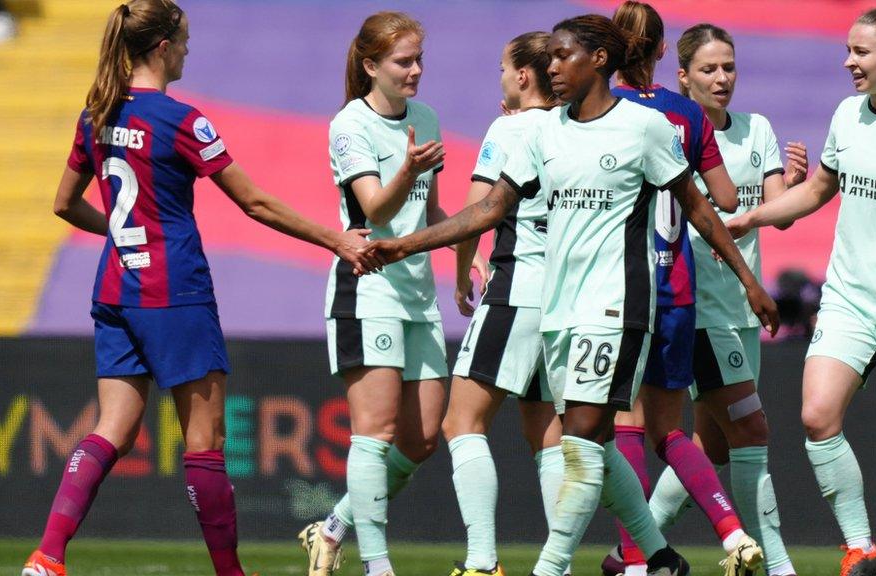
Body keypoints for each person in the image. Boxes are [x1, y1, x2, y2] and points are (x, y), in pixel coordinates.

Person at [361, 14, 780, 576]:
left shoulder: (643, 127)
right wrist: (405, 244)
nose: (552, 68)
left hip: (617, 310)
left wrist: (749, 281)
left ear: (599, 60)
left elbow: (700, 208)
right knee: (598, 445)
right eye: (550, 58)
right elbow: (488, 210)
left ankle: (549, 568)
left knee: (580, 442)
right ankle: (657, 556)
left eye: (564, 57)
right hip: (559, 312)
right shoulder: (541, 132)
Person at [21, 2, 379, 576]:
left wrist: (117, 230)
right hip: (174, 292)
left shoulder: (96, 115)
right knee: (205, 442)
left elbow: (64, 203)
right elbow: (254, 202)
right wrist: (336, 240)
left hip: (116, 287)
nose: (188, 49)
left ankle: (48, 556)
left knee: (110, 429)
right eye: (184, 39)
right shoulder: (182, 121)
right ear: (162, 45)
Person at [727, 7, 876, 576]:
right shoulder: (847, 114)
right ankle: (862, 549)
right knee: (816, 416)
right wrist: (752, 218)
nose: (849, 62)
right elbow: (818, 189)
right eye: (848, 50)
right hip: (847, 298)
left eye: (861, 53)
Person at [297, 12, 482, 576]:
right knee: (373, 435)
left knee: (424, 437)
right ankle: (377, 565)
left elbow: (427, 212)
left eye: (419, 59)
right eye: (404, 61)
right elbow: (375, 208)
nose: (416, 70)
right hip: (367, 291)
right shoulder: (348, 124)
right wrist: (407, 167)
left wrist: (462, 262)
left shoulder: (425, 117)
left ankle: (331, 528)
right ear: (371, 65)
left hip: (417, 295)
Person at [642, 21, 809, 576]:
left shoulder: (756, 128)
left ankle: (632, 553)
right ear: (683, 76)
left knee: (710, 444)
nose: (721, 78)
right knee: (751, 431)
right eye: (708, 69)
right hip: (697, 309)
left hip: (741, 310)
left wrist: (796, 183)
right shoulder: (668, 130)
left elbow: (776, 211)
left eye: (729, 67)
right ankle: (776, 564)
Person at [601, 4, 763, 576]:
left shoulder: (601, 108)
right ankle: (733, 531)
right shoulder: (688, 115)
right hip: (677, 287)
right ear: (664, 53)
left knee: (623, 429)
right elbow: (725, 197)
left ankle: (637, 558)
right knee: (670, 429)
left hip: (618, 289)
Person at [441, 31, 563, 576]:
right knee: (547, 433)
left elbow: (477, 206)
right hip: (564, 295)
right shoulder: (572, 126)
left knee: (462, 423)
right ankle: (557, 565)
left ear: (520, 77)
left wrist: (464, 267)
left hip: (516, 287)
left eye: (501, 69)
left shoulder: (508, 127)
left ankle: (482, 562)